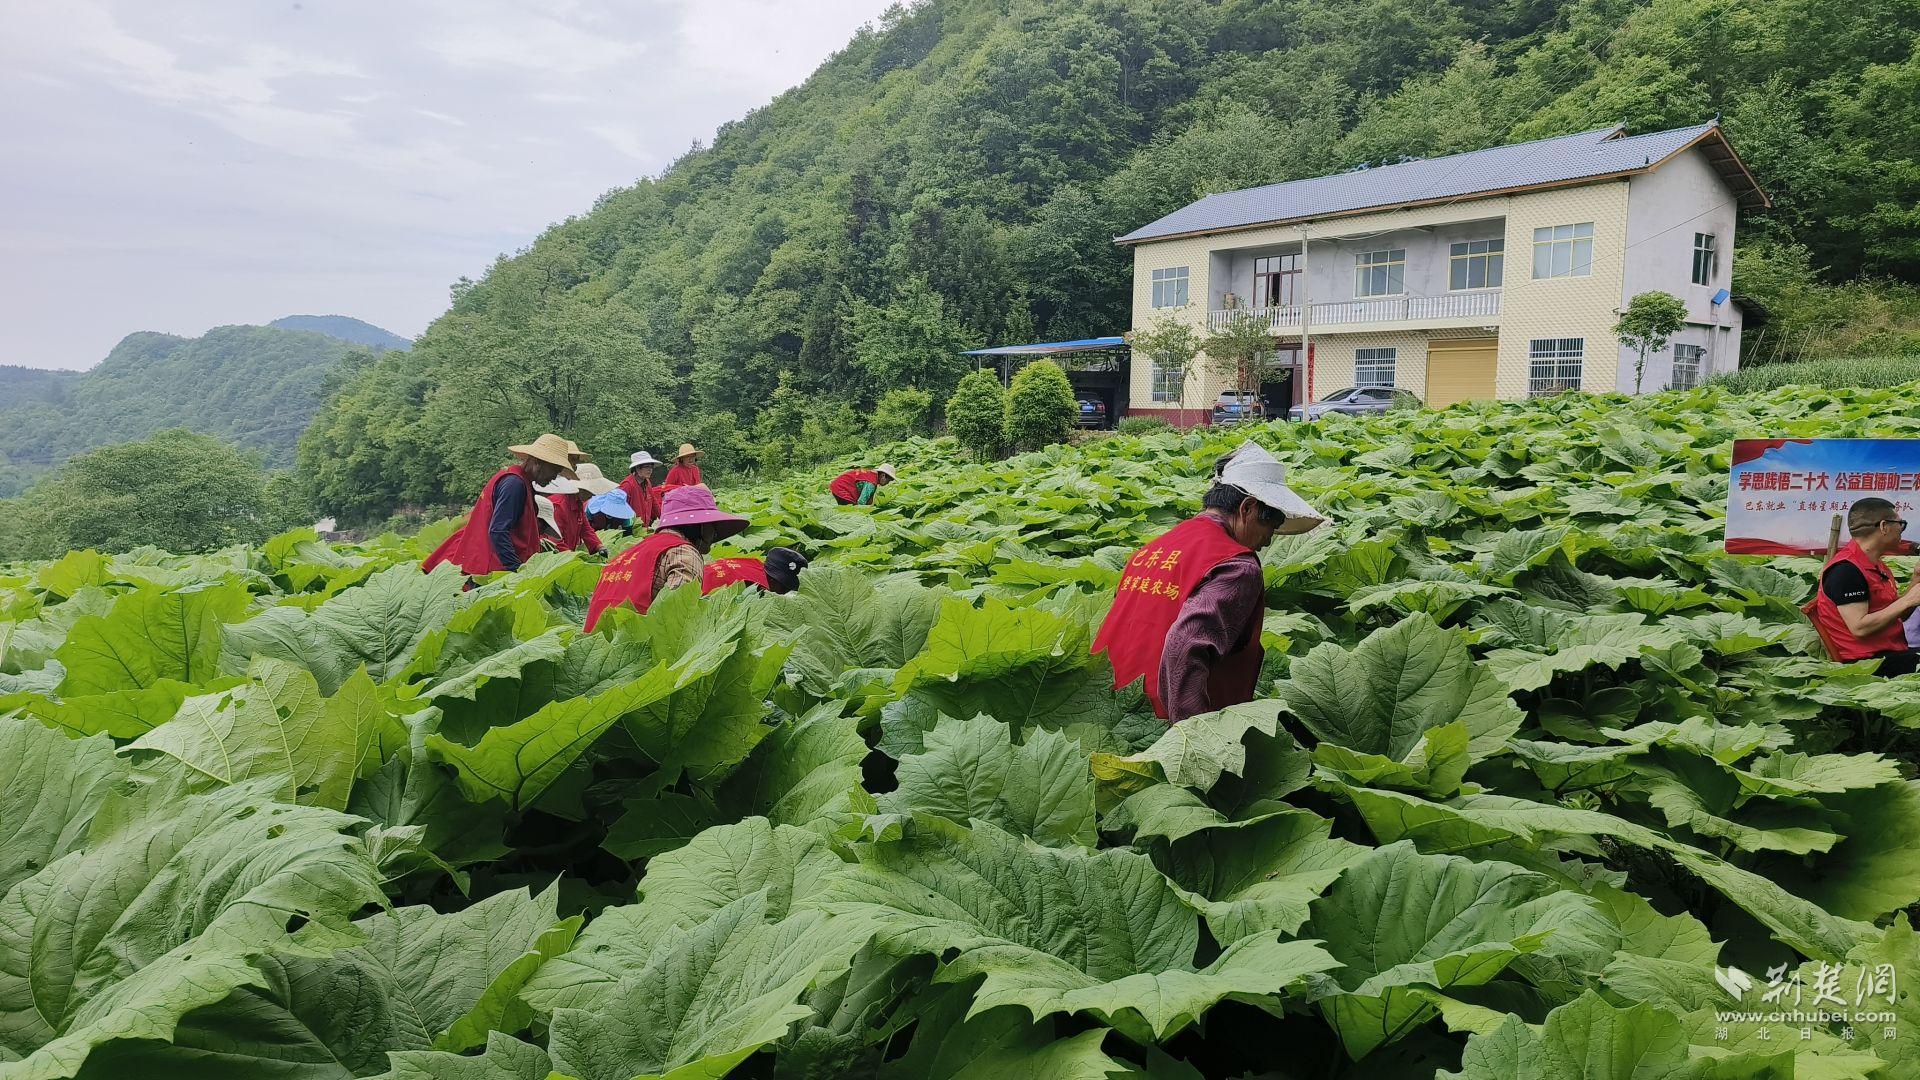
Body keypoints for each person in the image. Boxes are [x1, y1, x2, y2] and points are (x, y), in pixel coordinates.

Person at [1092, 442, 1325, 723]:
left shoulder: (1154, 548)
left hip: (1107, 710)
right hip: (1165, 724)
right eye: (1270, 524)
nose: (1268, 539)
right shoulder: (1237, 566)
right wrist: (1195, 738)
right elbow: (1184, 644)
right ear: (1247, 509)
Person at [584, 485, 748, 631]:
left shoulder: (627, 553)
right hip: (638, 653)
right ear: (698, 525)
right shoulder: (684, 553)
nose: (715, 533)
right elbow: (677, 617)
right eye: (711, 525)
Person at [423, 433, 575, 576]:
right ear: (538, 462)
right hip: (491, 570)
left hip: (488, 565)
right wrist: (516, 570)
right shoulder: (514, 484)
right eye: (555, 470)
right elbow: (498, 531)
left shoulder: (518, 481)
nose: (555, 477)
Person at [1809, 497, 1920, 676]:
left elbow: (1898, 615)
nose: (1902, 530)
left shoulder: (1875, 564)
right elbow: (1859, 627)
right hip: (1866, 665)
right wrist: (1907, 601)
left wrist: (1916, 579)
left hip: (1891, 654)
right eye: (1901, 524)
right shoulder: (1846, 570)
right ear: (1884, 526)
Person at [538, 462, 616, 554]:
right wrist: (573, 558)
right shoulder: (558, 505)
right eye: (590, 490)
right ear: (580, 488)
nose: (592, 495)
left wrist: (599, 546)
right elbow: (555, 542)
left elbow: (585, 528)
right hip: (552, 556)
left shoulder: (577, 503)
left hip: (565, 553)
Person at [703, 547, 809, 595]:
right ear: (773, 579)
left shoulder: (754, 563)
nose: (784, 592)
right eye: (785, 587)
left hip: (696, 574)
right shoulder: (755, 588)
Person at [618, 451, 662, 527]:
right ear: (637, 468)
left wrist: (664, 519)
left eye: (651, 467)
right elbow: (618, 508)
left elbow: (654, 503)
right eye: (647, 467)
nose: (650, 470)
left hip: (644, 527)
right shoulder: (627, 485)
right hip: (630, 529)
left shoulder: (647, 482)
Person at [830, 464, 896, 506]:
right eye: (888, 480)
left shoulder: (873, 477)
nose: (888, 483)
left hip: (838, 486)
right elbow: (861, 502)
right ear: (883, 476)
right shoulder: (871, 483)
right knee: (850, 512)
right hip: (841, 488)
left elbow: (869, 500)